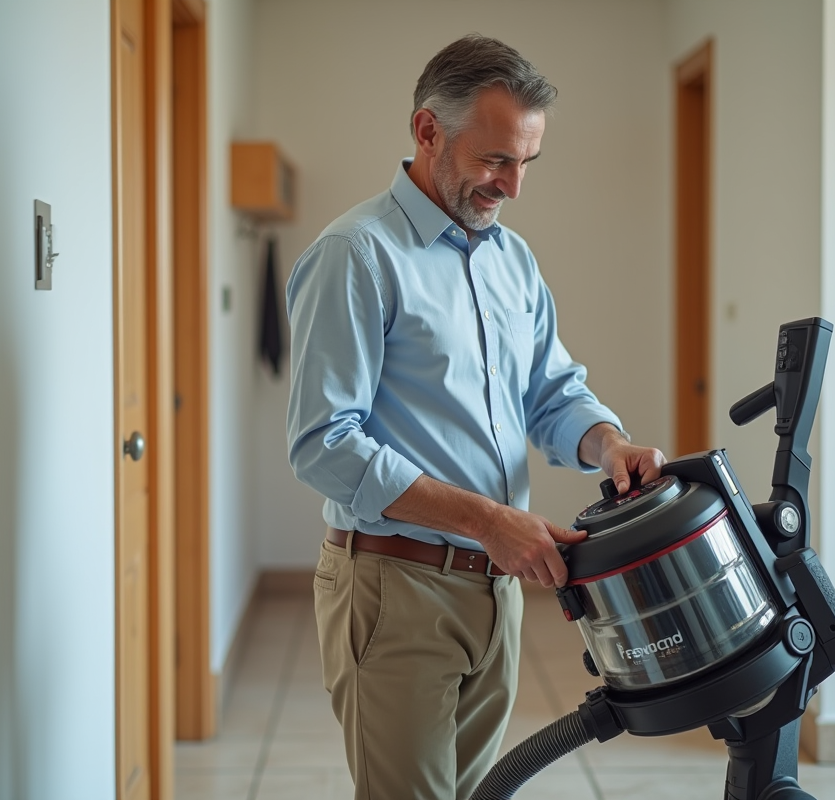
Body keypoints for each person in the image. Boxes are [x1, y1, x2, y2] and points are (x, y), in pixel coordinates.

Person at [285, 33, 665, 800]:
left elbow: (552, 392)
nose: (514, 186)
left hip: (495, 592)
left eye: (526, 162)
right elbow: (324, 445)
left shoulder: (510, 260)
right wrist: (489, 520)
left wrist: (608, 444)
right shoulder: (356, 255)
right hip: (395, 587)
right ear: (428, 131)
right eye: (496, 160)